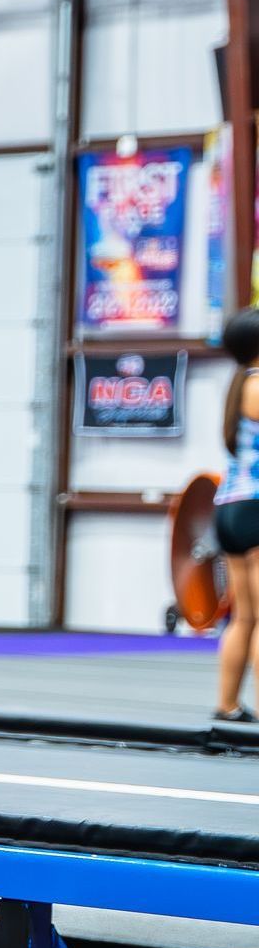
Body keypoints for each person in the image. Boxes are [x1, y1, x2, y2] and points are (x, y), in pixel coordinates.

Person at [213, 306, 259, 724]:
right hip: (254, 506)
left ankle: (228, 704)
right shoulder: (258, 384)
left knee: (245, 615)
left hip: (231, 505)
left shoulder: (240, 382)